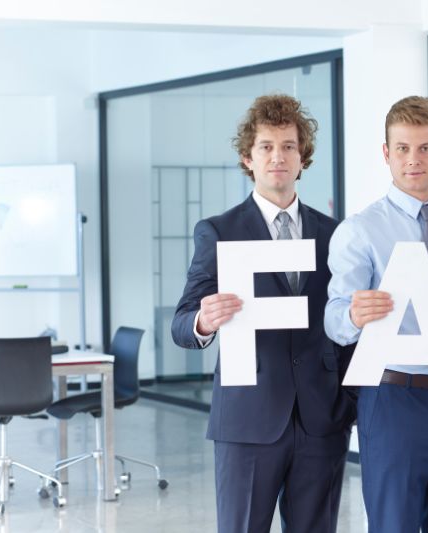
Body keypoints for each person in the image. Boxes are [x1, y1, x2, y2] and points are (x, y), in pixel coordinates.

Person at [171, 94, 356, 533]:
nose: (278, 156)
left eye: (289, 146)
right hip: (248, 420)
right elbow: (181, 324)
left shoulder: (336, 233)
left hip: (321, 420)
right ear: (247, 158)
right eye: (266, 146)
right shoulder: (219, 231)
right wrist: (203, 321)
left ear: (302, 157)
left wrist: (348, 402)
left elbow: (346, 318)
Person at [324, 96, 428, 533]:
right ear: (386, 153)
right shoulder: (360, 230)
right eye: (402, 148)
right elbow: (334, 318)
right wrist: (354, 316)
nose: (413, 160)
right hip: (394, 400)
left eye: (424, 148)